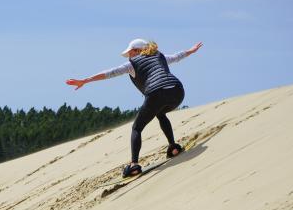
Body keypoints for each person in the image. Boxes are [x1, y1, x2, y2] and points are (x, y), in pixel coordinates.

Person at [66, 39, 203, 177]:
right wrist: (191, 51)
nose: (129, 56)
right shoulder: (159, 56)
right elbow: (177, 57)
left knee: (137, 128)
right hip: (177, 92)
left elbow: (109, 73)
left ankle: (134, 165)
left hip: (156, 94)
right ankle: (173, 147)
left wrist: (85, 80)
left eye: (130, 52)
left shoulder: (131, 65)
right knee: (160, 114)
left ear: (137, 51)